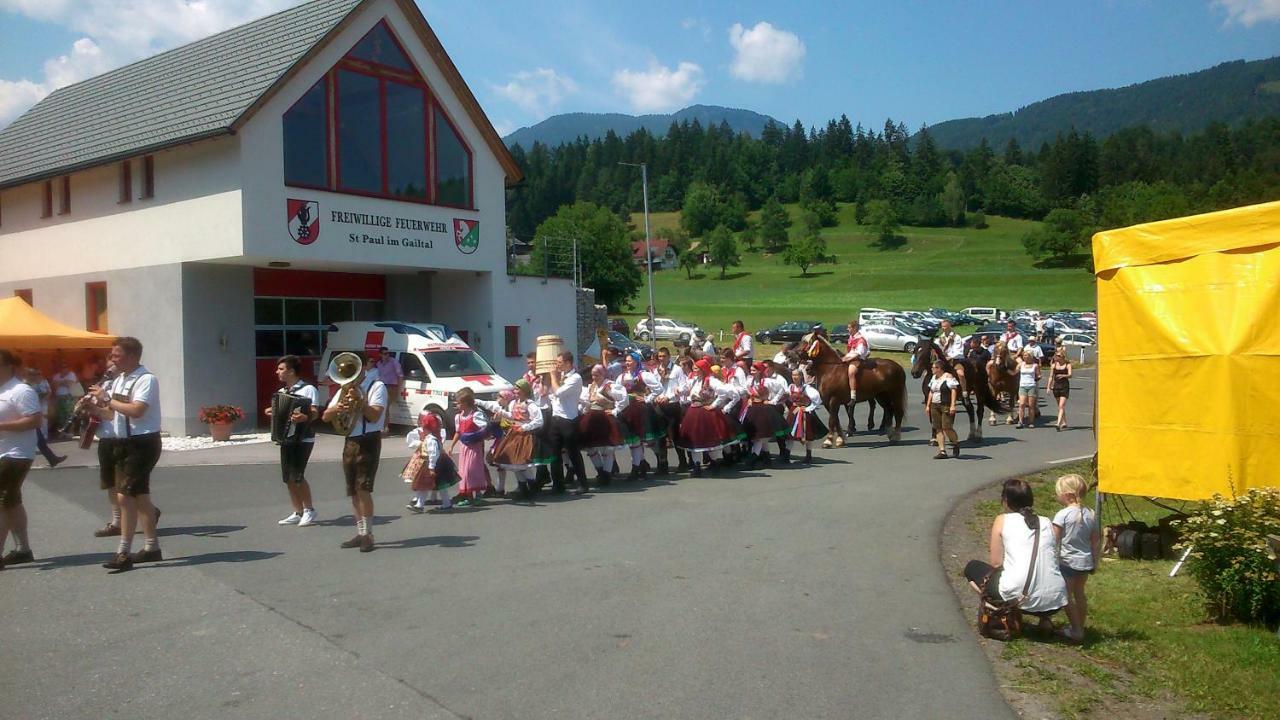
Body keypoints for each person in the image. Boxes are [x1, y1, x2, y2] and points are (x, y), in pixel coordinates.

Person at [91, 337, 163, 571]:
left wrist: (107, 399)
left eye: (117, 355)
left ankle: (123, 552)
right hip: (122, 443)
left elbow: (137, 410)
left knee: (125, 496)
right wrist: (93, 408)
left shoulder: (146, 379)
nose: (112, 359)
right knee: (140, 497)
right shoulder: (119, 379)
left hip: (143, 443)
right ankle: (152, 548)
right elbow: (115, 415)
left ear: (132, 356)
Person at [963, 479, 1068, 636]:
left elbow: (996, 562)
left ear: (1006, 501)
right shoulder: (1046, 521)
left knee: (972, 568)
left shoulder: (1002, 520)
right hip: (1056, 600)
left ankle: (1002, 610)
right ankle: (1045, 619)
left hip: (1018, 597)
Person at [322, 353, 387, 553]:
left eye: (355, 372)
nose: (351, 378)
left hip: (368, 440)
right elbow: (325, 417)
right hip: (350, 441)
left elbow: (375, 416)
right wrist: (337, 408)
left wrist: (360, 402)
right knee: (352, 490)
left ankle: (368, 535)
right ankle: (360, 533)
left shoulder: (377, 386)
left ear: (363, 369)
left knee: (363, 488)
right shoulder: (343, 390)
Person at [0, 350, 43, 570]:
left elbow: (34, 420)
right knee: (11, 502)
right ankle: (23, 549)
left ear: (9, 367)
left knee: (3, 502)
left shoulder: (21, 390)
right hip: (3, 451)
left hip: (16, 454)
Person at [265, 355, 319, 527]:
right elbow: (280, 412)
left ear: (291, 371)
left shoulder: (308, 389)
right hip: (286, 438)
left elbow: (315, 412)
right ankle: (298, 511)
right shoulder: (282, 393)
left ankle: (310, 510)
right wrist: (272, 412)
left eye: (281, 369)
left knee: (297, 475)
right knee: (287, 477)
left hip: (304, 438)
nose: (277, 372)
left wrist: (305, 416)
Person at [1053, 474, 1099, 644]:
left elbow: (1054, 540)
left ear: (1066, 494)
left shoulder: (1062, 515)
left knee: (1065, 596)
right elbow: (1095, 542)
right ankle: (1080, 625)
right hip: (1085, 562)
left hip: (1068, 562)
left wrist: (1051, 559)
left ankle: (1076, 630)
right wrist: (1095, 562)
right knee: (1080, 594)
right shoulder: (1091, 514)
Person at [478, 379, 543, 500]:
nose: (515, 391)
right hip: (514, 435)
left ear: (524, 390)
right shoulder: (514, 403)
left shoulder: (531, 405)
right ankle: (523, 489)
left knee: (523, 463)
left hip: (525, 436)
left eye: (517, 389)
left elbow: (539, 421)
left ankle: (532, 487)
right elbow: (512, 416)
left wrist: (524, 427)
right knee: (513, 463)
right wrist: (502, 413)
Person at [677, 357, 736, 476]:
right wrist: (678, 391)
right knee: (694, 441)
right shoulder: (694, 380)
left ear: (703, 369)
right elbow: (686, 390)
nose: (694, 371)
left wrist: (714, 405)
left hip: (706, 413)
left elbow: (724, 393)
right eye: (694, 369)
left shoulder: (711, 381)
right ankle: (697, 466)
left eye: (697, 369)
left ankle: (714, 463)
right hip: (693, 413)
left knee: (710, 440)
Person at [546, 351, 589, 494]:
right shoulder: (561, 377)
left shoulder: (575, 378)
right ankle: (558, 484)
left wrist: (553, 377)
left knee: (573, 452)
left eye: (559, 362)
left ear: (568, 363)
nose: (557, 365)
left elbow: (558, 392)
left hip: (568, 419)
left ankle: (583, 483)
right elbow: (552, 395)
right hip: (556, 417)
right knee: (555, 453)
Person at [577, 364, 626, 484]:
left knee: (607, 448)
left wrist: (615, 411)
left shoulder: (610, 385)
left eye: (597, 375)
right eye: (593, 375)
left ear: (603, 374)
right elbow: (587, 404)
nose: (594, 377)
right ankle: (601, 472)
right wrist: (584, 407)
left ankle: (607, 474)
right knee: (590, 447)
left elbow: (624, 399)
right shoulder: (591, 387)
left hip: (605, 419)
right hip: (591, 419)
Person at [404, 411, 458, 512]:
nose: (422, 429)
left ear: (429, 428)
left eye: (424, 427)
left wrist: (431, 467)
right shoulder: (429, 438)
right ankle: (420, 504)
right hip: (428, 464)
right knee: (424, 485)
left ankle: (445, 503)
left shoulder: (432, 440)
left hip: (434, 465)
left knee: (438, 486)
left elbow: (433, 454)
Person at [448, 387, 492, 506]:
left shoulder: (475, 414)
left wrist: (477, 435)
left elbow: (485, 428)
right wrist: (451, 446)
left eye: (459, 402)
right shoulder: (459, 416)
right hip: (464, 447)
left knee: (471, 471)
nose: (457, 404)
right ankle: (469, 496)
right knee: (463, 472)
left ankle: (477, 494)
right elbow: (458, 432)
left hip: (474, 447)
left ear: (466, 403)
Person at [22, 367, 65, 467]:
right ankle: (52, 459)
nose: (37, 377)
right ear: (29, 376)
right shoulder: (25, 388)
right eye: (35, 375)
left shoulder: (28, 386)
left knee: (39, 440)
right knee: (36, 440)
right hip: (27, 418)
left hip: (29, 417)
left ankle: (52, 459)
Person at [787, 369, 827, 464]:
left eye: (796, 375)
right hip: (794, 412)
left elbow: (817, 400)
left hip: (805, 414)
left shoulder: (806, 388)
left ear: (801, 376)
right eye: (793, 375)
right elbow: (787, 397)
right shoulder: (791, 387)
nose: (794, 377)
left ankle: (808, 455)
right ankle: (786, 455)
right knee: (789, 434)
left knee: (807, 434)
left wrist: (808, 408)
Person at [925, 360, 960, 459]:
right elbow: (931, 392)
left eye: (933, 367)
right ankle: (942, 451)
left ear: (939, 369)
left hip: (945, 404)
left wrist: (953, 405)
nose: (932, 369)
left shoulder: (948, 377)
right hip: (935, 405)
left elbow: (953, 390)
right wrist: (928, 405)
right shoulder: (933, 378)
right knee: (938, 428)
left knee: (947, 427)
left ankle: (955, 443)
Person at [373, 348, 402, 436]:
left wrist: (398, 389)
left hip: (391, 387)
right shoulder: (378, 364)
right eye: (384, 354)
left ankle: (385, 427)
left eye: (388, 353)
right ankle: (381, 426)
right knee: (381, 406)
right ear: (380, 355)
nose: (387, 355)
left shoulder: (393, 362)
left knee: (385, 406)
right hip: (381, 386)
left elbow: (400, 375)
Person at [841, 321, 871, 401]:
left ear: (854, 328)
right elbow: (850, 350)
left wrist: (848, 359)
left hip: (858, 359)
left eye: (849, 328)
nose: (848, 329)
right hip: (850, 356)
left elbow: (859, 353)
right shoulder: (851, 337)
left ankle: (853, 396)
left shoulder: (861, 339)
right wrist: (845, 357)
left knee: (851, 372)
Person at [935, 320, 967, 393]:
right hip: (943, 360)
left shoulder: (956, 337)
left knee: (960, 374)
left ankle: (964, 391)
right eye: (942, 327)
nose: (943, 328)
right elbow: (938, 349)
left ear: (950, 327)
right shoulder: (940, 338)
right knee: (931, 372)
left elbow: (958, 350)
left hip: (955, 360)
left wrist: (950, 357)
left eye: (945, 326)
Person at [50, 360, 79, 438]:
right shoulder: (56, 375)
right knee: (60, 416)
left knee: (69, 415)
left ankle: (70, 432)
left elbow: (71, 384)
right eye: (62, 367)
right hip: (59, 397)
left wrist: (60, 383)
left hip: (68, 397)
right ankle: (62, 432)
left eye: (65, 367)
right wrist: (64, 382)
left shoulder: (71, 374)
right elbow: (53, 386)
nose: (64, 369)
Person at [1047, 348, 1072, 431]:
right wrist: (1048, 387)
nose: (1056, 357)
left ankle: (1058, 423)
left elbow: (1070, 375)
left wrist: (1063, 376)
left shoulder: (1067, 364)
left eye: (1058, 356)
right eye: (1056, 356)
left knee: (1061, 405)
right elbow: (1051, 377)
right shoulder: (1054, 365)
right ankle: (1064, 422)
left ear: (1063, 357)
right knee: (1060, 406)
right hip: (1056, 386)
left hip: (1064, 386)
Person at [1015, 349, 1039, 428]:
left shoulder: (1035, 365)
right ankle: (1020, 422)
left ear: (1030, 356)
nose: (1024, 357)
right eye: (1024, 355)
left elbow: (1038, 375)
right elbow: (1014, 372)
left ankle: (1031, 422)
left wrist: (1037, 378)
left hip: (1031, 386)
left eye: (1026, 355)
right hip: (1022, 386)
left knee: (1031, 405)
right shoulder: (1021, 364)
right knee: (1021, 404)